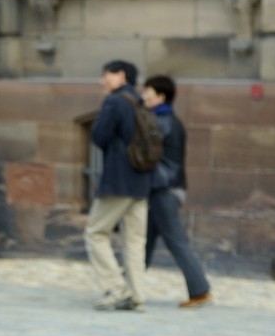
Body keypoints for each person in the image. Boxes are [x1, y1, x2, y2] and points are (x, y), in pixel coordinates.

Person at [84, 59, 152, 313]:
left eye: (107, 76)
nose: (103, 81)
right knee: (135, 241)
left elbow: (99, 136)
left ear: (121, 76)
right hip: (141, 180)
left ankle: (115, 288)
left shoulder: (115, 101)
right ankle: (137, 295)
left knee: (95, 232)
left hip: (118, 180)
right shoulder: (141, 100)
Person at [142, 74, 212, 308]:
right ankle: (128, 285)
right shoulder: (166, 120)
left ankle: (200, 290)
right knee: (145, 241)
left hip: (164, 189)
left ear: (161, 97)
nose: (144, 97)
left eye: (147, 93)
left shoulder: (163, 121)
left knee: (175, 241)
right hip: (162, 188)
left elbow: (147, 153)